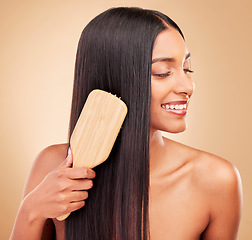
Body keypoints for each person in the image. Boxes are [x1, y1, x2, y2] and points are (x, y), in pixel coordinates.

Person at [10, 7, 242, 240]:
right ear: (115, 78)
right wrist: (31, 211)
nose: (187, 87)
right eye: (163, 72)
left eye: (186, 69)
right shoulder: (53, 167)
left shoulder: (216, 181)